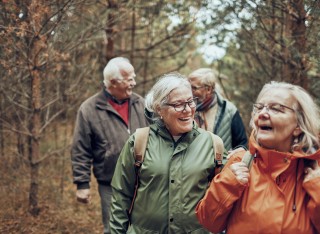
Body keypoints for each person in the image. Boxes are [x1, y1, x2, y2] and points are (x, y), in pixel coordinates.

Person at [196, 81, 320, 233]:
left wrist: (316, 187)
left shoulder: (314, 171)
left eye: (276, 109)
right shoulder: (239, 162)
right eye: (259, 108)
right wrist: (227, 184)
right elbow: (208, 222)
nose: (262, 113)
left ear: (298, 126)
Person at [110, 73, 224, 233]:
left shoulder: (213, 144)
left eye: (190, 101)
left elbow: (224, 199)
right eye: (178, 104)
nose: (187, 110)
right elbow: (121, 197)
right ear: (159, 109)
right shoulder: (139, 142)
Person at [71, 57, 149, 234]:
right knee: (115, 229)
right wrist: (82, 184)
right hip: (111, 183)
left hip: (145, 181)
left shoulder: (141, 104)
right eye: (129, 79)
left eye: (133, 78)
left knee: (145, 227)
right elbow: (81, 149)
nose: (134, 83)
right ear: (113, 82)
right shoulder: (89, 109)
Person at [188, 68, 247, 151]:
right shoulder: (186, 108)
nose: (189, 91)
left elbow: (242, 144)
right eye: (188, 86)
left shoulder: (229, 110)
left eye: (194, 88)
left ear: (208, 89)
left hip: (222, 163)